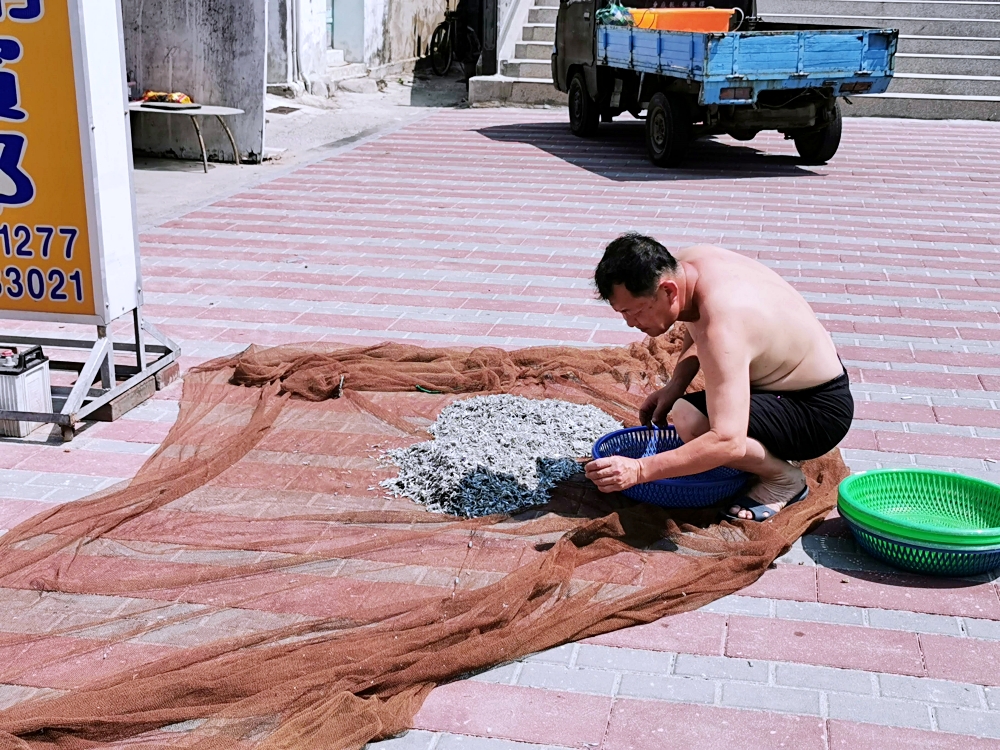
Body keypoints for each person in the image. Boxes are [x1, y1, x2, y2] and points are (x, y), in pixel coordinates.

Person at [584, 233, 854, 521]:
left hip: (816, 411)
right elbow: (695, 320)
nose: (630, 323)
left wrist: (639, 470)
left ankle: (784, 479)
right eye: (622, 313)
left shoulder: (723, 328)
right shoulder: (689, 263)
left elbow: (727, 440)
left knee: (690, 419)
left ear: (668, 291)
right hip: (798, 380)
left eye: (635, 311)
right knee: (689, 406)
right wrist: (676, 384)